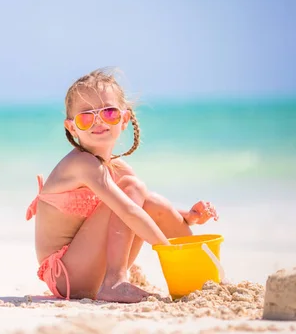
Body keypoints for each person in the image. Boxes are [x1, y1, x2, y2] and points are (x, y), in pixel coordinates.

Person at [25, 68, 219, 303]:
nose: (98, 121)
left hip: (86, 268)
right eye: (86, 117)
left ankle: (200, 275)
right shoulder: (81, 164)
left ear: (124, 119)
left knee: (149, 199)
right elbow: (128, 210)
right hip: (66, 275)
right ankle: (114, 281)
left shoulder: (116, 167)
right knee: (132, 189)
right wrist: (168, 250)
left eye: (108, 113)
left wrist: (188, 216)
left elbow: (144, 206)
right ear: (72, 128)